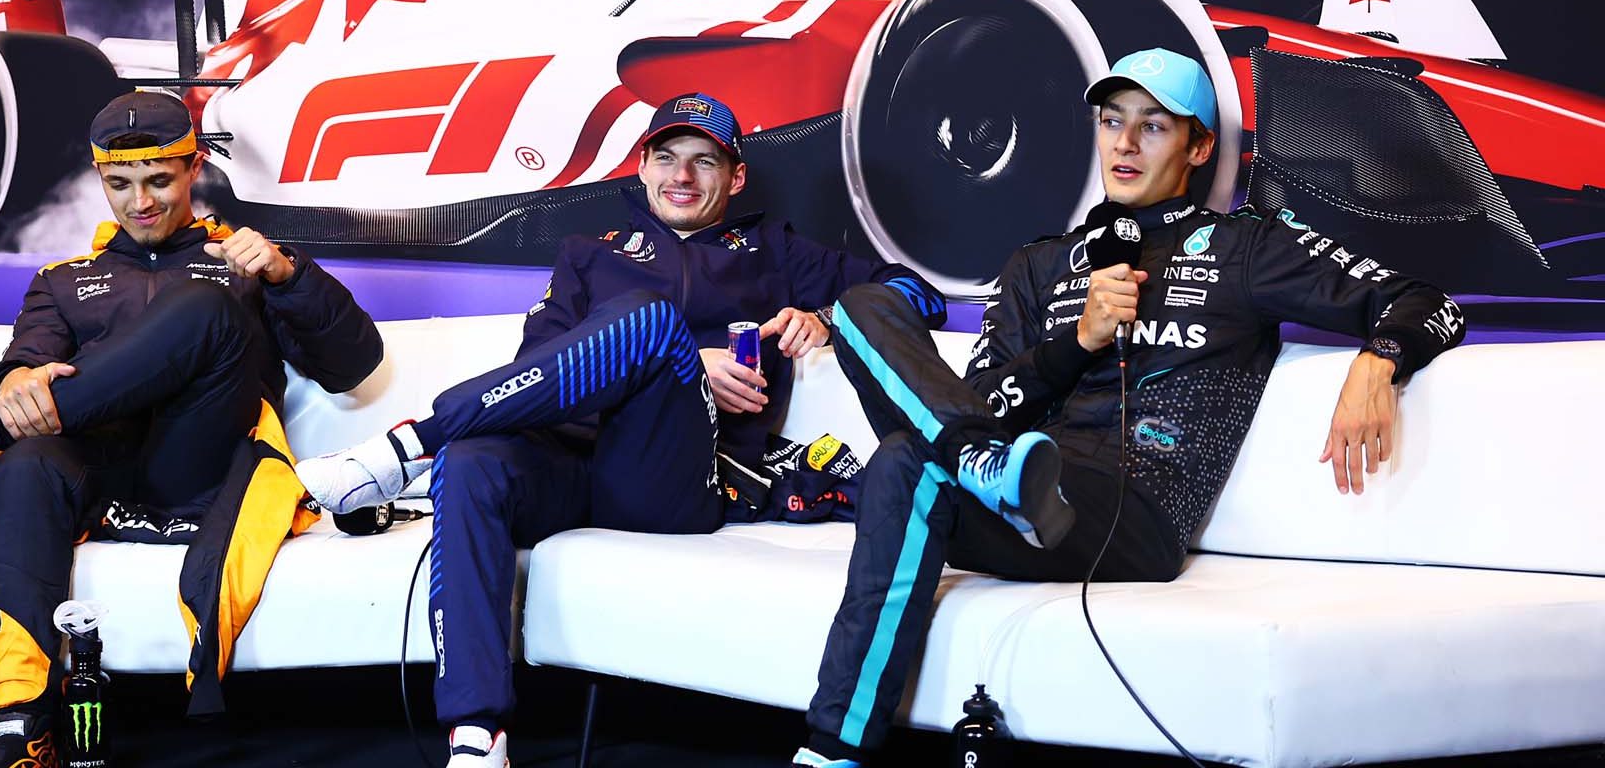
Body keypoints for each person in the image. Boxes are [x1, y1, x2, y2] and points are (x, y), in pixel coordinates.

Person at [792, 48, 1467, 766]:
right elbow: (980, 402)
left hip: (1136, 511)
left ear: (1199, 146)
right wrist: (1075, 344)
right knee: (865, 309)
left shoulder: (1246, 247)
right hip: (1015, 489)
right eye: (1113, 121)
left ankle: (840, 738)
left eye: (1153, 126)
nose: (1124, 142)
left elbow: (1429, 302)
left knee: (907, 459)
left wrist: (1380, 359)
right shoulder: (1042, 264)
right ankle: (834, 753)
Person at [296, 92, 945, 768]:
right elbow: (529, 375)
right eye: (666, 158)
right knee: (470, 462)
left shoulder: (772, 252)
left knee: (650, 320)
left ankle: (400, 450)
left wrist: (832, 318)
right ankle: (477, 736)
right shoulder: (589, 254)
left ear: (737, 175)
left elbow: (918, 293)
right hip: (572, 466)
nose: (681, 177)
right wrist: (682, 359)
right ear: (641, 167)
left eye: (702, 162)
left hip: (675, 477)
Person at [0, 91, 383, 767]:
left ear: (195, 167)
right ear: (99, 179)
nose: (141, 202)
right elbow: (21, 367)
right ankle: (22, 727)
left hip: (200, 470)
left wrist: (288, 274)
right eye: (120, 184)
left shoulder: (243, 262)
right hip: (97, 477)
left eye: (160, 180)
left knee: (203, 306)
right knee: (23, 467)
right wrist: (11, 386)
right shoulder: (62, 281)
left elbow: (354, 365)